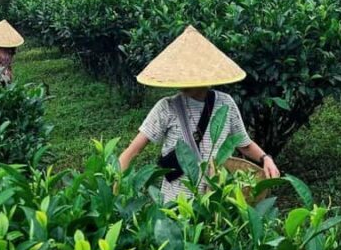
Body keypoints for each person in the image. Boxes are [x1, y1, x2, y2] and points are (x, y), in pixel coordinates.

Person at [118, 25, 280, 203]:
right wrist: (116, 188)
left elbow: (244, 143)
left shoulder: (225, 103)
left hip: (215, 199)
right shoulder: (166, 107)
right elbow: (132, 152)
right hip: (176, 202)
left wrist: (266, 159)